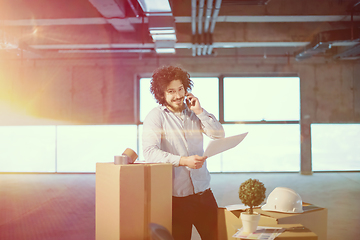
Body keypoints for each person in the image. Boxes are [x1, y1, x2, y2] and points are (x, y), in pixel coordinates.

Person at [142, 65, 225, 240]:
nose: (178, 95)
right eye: (171, 91)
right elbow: (149, 152)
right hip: (176, 198)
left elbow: (218, 135)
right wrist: (183, 161)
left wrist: (200, 112)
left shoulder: (195, 112)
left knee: (217, 237)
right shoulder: (156, 117)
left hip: (203, 192)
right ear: (161, 94)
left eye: (180, 89)